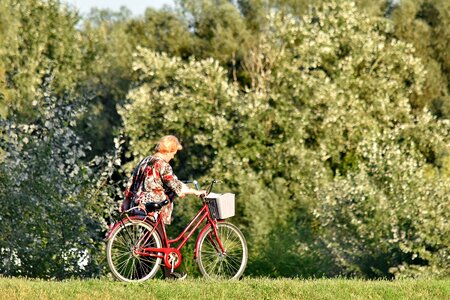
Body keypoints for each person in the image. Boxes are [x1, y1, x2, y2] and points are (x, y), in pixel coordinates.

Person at [121, 135, 205, 279]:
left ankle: (139, 276)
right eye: (173, 153)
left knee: (150, 242)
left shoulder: (145, 161)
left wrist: (126, 201)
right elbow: (174, 183)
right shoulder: (162, 164)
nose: (173, 157)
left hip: (139, 206)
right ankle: (172, 274)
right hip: (154, 206)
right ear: (168, 150)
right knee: (158, 242)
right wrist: (193, 191)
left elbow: (131, 182)